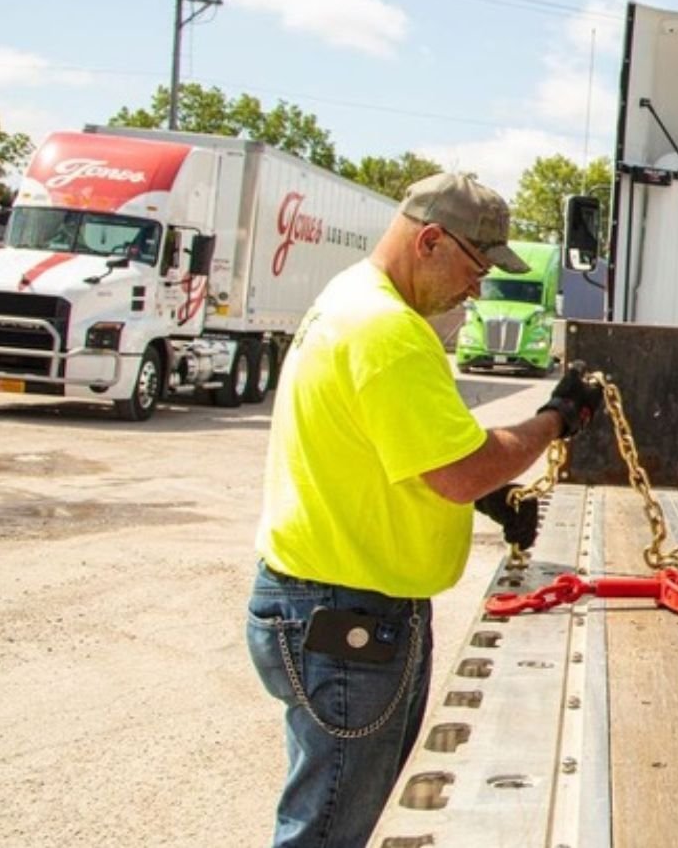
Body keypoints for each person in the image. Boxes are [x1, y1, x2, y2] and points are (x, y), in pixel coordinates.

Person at [244, 172, 605, 848]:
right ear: (431, 240)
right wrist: (555, 419)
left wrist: (492, 491)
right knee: (325, 830)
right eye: (476, 268)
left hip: (329, 605)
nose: (478, 289)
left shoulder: (350, 299)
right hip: (345, 618)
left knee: (332, 814)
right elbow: (459, 470)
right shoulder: (389, 332)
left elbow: (387, 446)